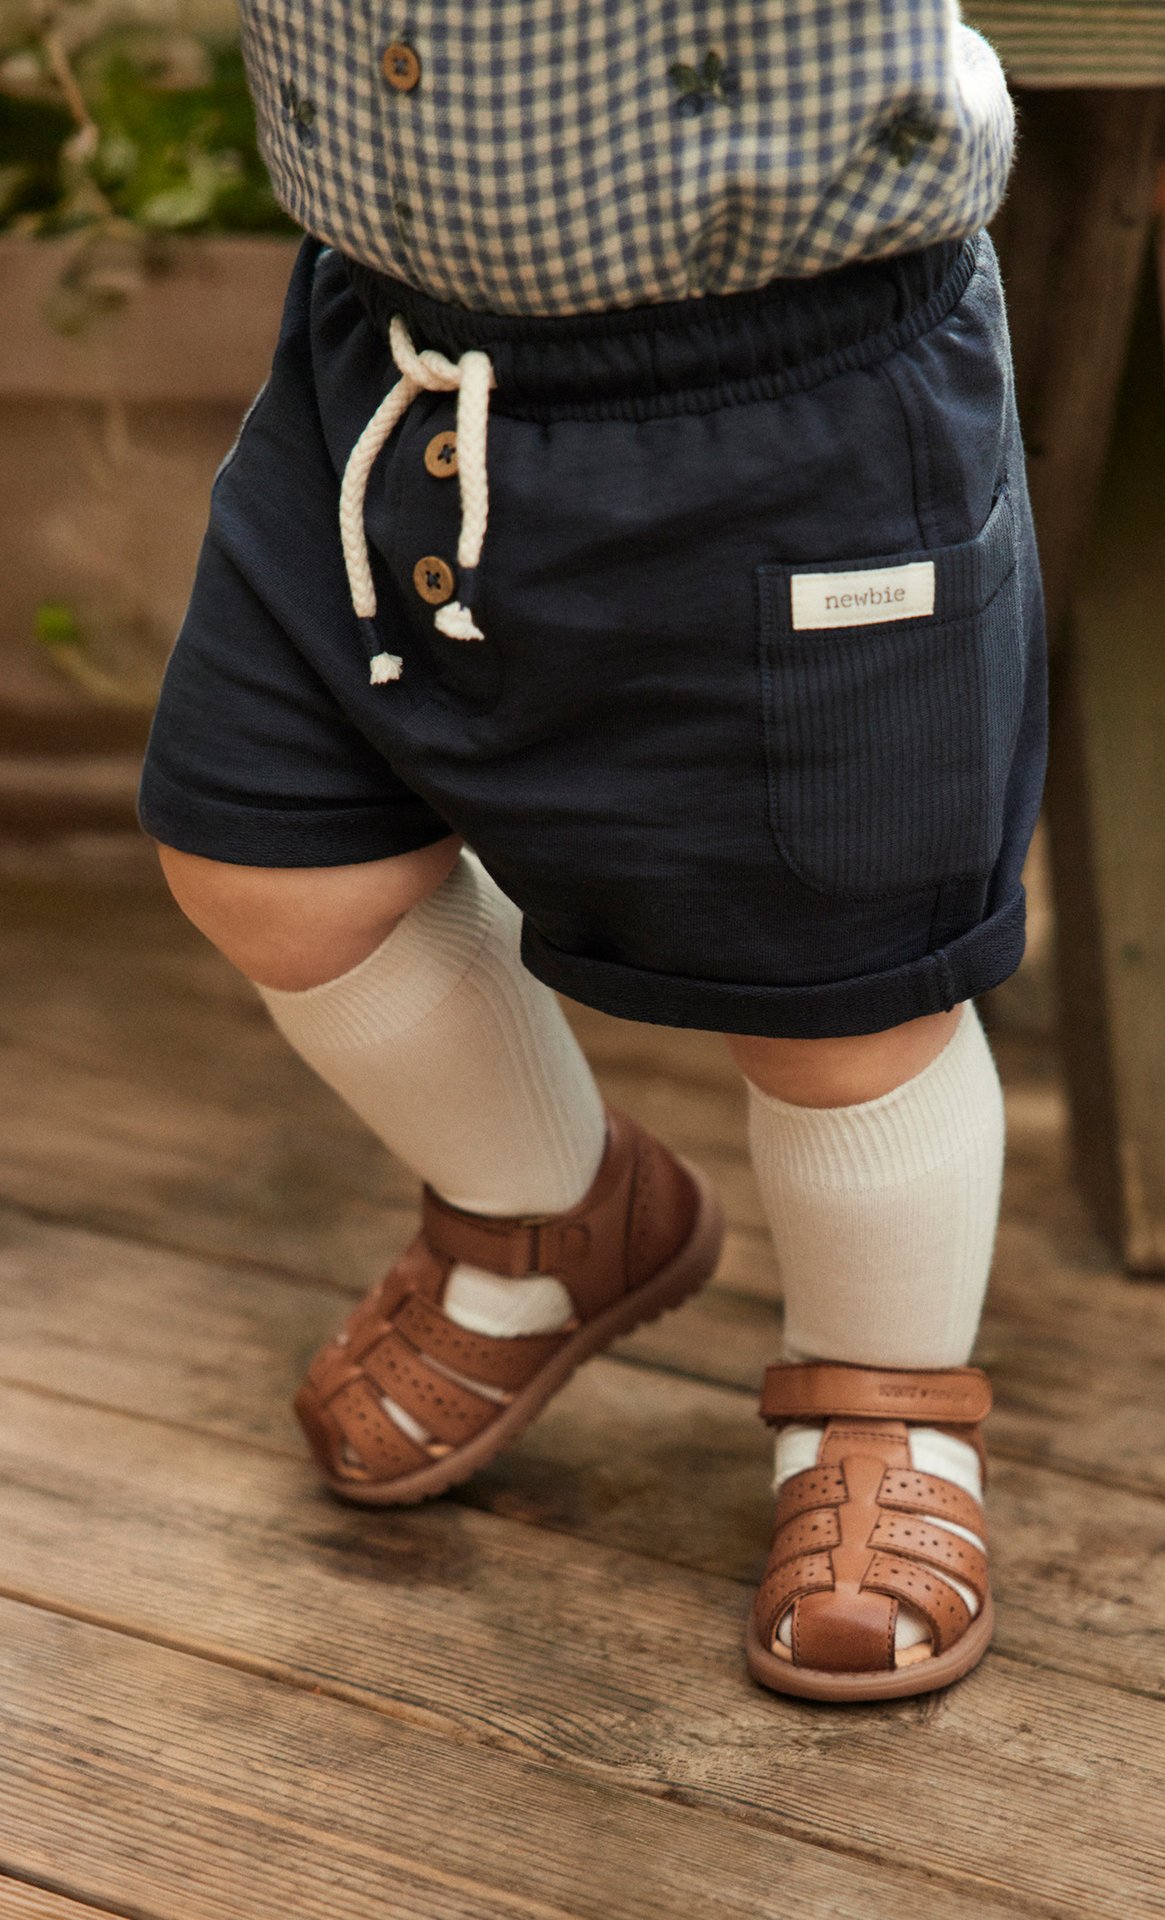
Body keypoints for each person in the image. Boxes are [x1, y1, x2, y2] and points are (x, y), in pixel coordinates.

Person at [139, 1, 1046, 1701]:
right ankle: (547, 1216)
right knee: (267, 848)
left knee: (845, 988)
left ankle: (882, 1397)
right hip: (393, 368)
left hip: (798, 384)